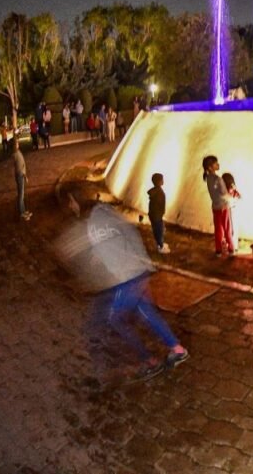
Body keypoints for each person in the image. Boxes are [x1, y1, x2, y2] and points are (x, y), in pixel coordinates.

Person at [62, 194, 189, 384]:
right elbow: (108, 241)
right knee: (147, 313)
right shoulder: (93, 220)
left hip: (130, 276)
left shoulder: (102, 214)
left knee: (116, 319)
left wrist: (143, 262)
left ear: (79, 200)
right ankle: (178, 350)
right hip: (131, 275)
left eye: (72, 200)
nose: (71, 205)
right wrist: (95, 254)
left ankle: (150, 361)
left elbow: (129, 231)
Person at [202, 155, 235, 256]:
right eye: (215, 164)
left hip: (215, 207)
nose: (218, 164)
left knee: (218, 229)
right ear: (210, 167)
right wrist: (232, 197)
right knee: (227, 229)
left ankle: (218, 250)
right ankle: (231, 249)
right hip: (224, 207)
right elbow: (224, 194)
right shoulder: (218, 179)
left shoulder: (208, 178)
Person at [149, 173, 169, 254]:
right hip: (157, 215)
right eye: (162, 180)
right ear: (159, 182)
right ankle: (160, 246)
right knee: (159, 231)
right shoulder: (159, 192)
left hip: (154, 214)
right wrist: (161, 212)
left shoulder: (155, 191)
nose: (163, 181)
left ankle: (160, 244)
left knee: (158, 229)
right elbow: (159, 204)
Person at [221, 172, 242, 248]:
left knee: (232, 229)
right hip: (228, 211)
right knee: (228, 229)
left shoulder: (233, 190)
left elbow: (239, 197)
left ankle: (232, 245)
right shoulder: (225, 192)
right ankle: (229, 244)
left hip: (233, 212)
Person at [13, 139, 30, 221]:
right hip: (20, 175)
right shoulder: (16, 154)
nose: (18, 144)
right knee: (21, 195)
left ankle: (23, 210)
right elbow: (20, 168)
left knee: (22, 194)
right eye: (16, 143)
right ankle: (22, 213)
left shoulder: (18, 152)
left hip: (21, 175)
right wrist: (24, 176)